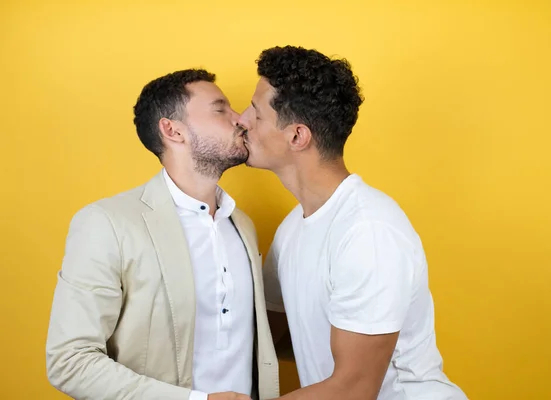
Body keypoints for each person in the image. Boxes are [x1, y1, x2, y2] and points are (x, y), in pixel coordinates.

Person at [238, 46, 467, 400]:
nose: (241, 120)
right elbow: (275, 341)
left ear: (297, 137)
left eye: (256, 112)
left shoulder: (368, 231)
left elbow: (354, 389)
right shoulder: (293, 229)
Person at [46, 69, 279, 400]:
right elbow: (69, 361)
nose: (240, 118)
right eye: (220, 108)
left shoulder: (241, 224)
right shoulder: (107, 224)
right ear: (173, 130)